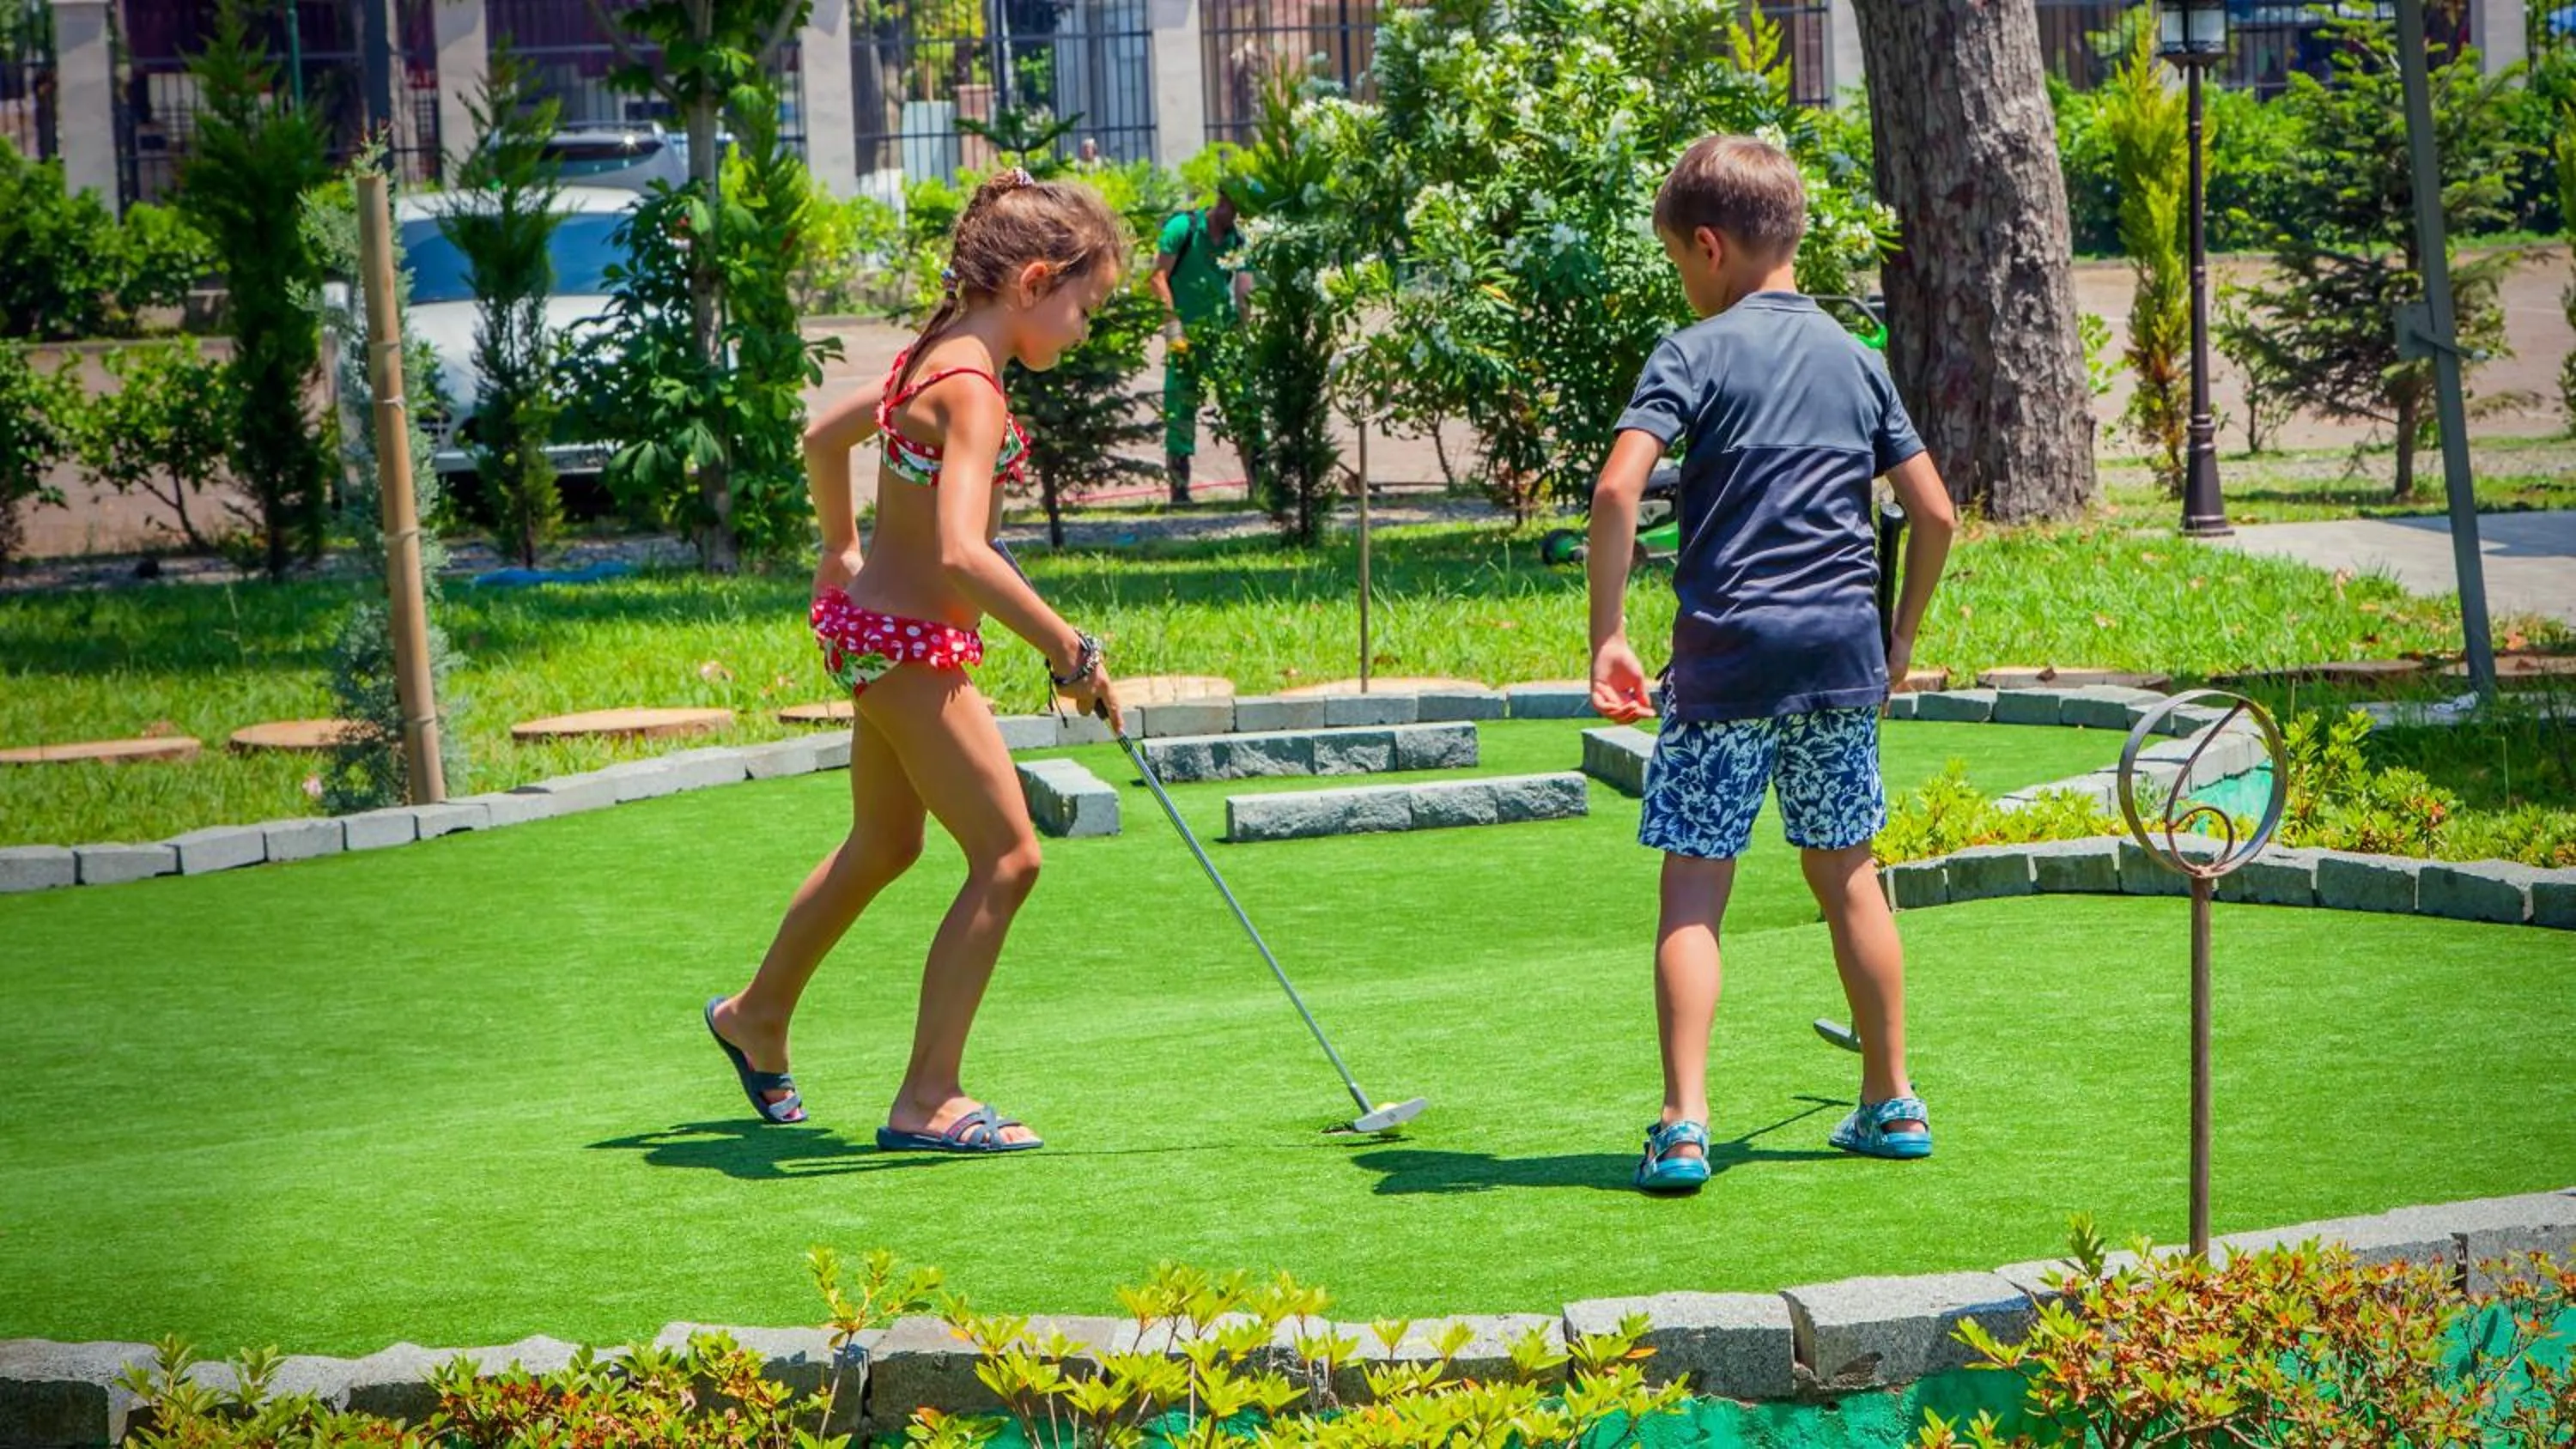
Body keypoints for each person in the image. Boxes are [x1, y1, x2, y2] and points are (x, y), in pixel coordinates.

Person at [702, 168, 1128, 1155]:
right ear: (1031, 281)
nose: (1085, 328)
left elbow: (822, 435)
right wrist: (1071, 650)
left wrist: (837, 546)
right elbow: (961, 551)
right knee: (1010, 855)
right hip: (906, 651)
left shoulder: (929, 358)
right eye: (1085, 306)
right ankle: (927, 1097)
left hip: (869, 630)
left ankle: (755, 1014)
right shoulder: (972, 388)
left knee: (886, 844)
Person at [1586, 135, 1959, 1195]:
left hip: (1726, 661)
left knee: (1696, 889)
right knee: (1847, 874)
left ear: (1709, 247)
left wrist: (1608, 631)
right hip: (1841, 655)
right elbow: (1932, 510)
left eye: (1678, 262)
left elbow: (1619, 491)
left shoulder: (1692, 352)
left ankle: (1683, 1123)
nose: (1682, 283)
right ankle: (1890, 1099)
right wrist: (1899, 636)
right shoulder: (1858, 357)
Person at [1148, 187, 1244, 506]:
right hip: (1184, 337)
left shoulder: (1238, 239)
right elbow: (1158, 277)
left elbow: (1245, 287)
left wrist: (1244, 331)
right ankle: (1179, 491)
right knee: (1180, 406)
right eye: (1235, 206)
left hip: (1223, 337)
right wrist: (1173, 326)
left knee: (1243, 404)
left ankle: (1261, 486)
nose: (1238, 215)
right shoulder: (1184, 229)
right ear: (1222, 200)